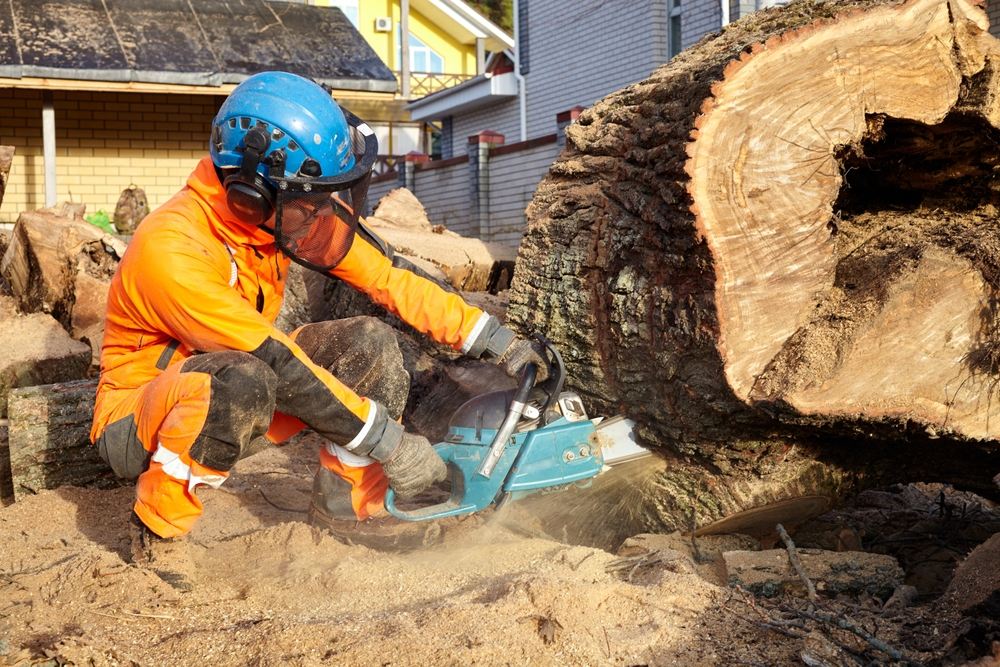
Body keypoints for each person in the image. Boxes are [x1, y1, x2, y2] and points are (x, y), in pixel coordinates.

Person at [90, 71, 549, 591]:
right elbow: (277, 361)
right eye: (312, 199)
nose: (321, 211)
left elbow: (387, 278)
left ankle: (347, 505)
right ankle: (157, 530)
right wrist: (392, 444)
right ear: (252, 194)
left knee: (367, 345)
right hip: (139, 418)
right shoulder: (171, 251)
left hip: (244, 374)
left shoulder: (270, 218)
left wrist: (495, 340)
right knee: (241, 381)